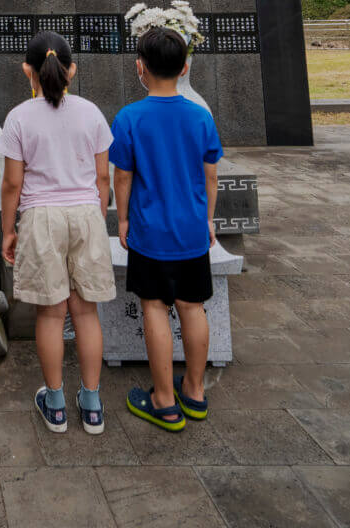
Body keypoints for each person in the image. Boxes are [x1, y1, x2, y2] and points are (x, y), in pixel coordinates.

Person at [0, 31, 116, 435]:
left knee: (51, 314)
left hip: (41, 218)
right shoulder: (92, 113)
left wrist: (7, 230)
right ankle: (93, 402)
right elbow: (103, 177)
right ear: (72, 70)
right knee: (86, 312)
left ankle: (55, 403)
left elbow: (12, 184)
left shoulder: (18, 117)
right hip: (85, 213)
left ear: (26, 71)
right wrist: (96, 220)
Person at [109, 25, 223, 432]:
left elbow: (122, 177)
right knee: (193, 306)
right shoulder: (200, 117)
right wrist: (207, 219)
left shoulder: (129, 118)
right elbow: (211, 176)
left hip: (150, 232)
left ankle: (163, 399)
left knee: (154, 306)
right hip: (192, 231)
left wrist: (122, 219)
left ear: (140, 67)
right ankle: (194, 391)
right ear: (185, 66)